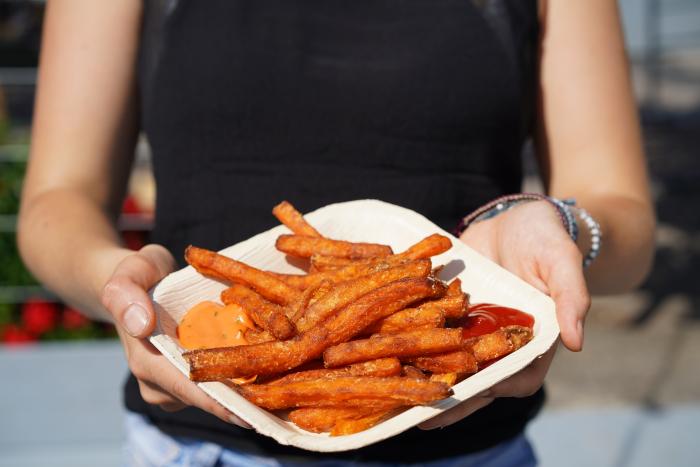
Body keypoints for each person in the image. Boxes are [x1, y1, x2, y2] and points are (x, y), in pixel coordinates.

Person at [17, 0, 655, 465]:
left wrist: (563, 227)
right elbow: (56, 200)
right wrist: (118, 282)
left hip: (465, 450)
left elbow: (624, 215)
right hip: (201, 446)